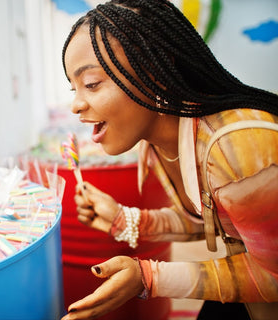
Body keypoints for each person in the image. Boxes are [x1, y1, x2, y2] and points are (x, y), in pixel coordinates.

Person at [60, 0, 278, 319]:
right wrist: (125, 220)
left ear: (157, 74)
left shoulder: (236, 144)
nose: (76, 105)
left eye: (91, 84)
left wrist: (149, 278)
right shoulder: (158, 143)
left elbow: (273, 276)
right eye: (74, 88)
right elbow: (205, 218)